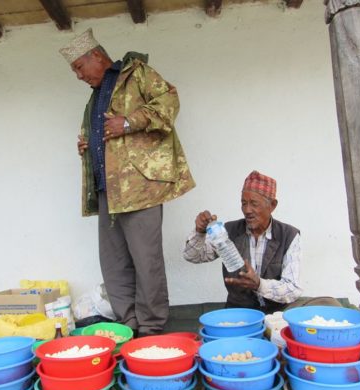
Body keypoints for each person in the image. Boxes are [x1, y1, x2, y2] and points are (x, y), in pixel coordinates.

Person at [59, 29, 195, 336]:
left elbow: (168, 102)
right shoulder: (97, 94)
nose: (79, 76)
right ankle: (128, 322)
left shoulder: (136, 74)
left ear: (96, 56)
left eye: (79, 67)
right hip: (107, 188)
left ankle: (150, 326)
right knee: (113, 261)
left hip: (139, 188)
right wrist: (88, 145)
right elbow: (107, 134)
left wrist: (129, 121)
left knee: (146, 260)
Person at [183, 170, 303, 314]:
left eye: (254, 203)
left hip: (276, 315)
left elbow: (293, 288)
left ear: (272, 205)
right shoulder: (229, 231)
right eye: (243, 203)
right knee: (206, 331)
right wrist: (200, 232)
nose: (247, 210)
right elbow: (193, 256)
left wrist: (259, 284)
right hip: (239, 313)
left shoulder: (289, 235)